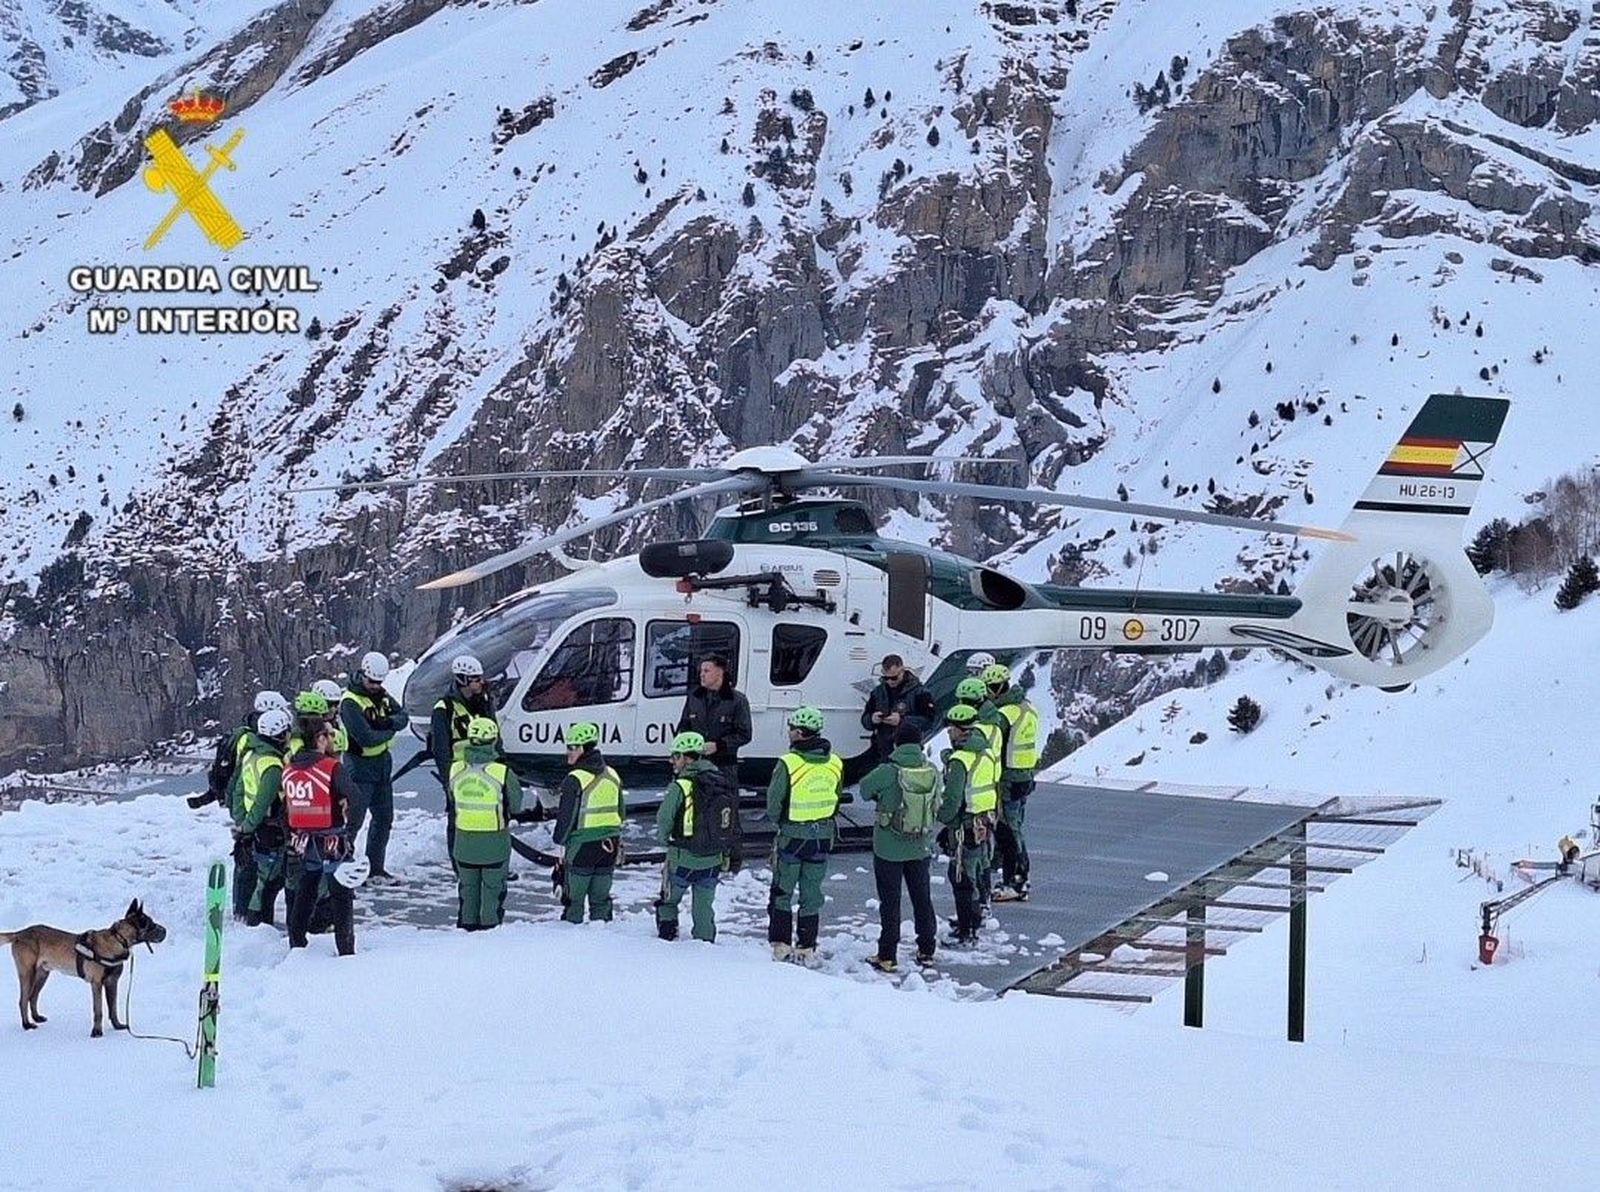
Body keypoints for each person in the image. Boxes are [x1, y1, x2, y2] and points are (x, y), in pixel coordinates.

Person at [859, 720, 945, 972]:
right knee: (922, 898)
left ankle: (887, 955)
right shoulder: (931, 770)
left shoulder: (888, 771)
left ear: (896, 742)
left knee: (890, 902)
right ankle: (927, 949)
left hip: (889, 846)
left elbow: (864, 790)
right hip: (920, 845)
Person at [765, 706, 842, 964]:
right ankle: (807, 946)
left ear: (798, 732)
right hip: (821, 837)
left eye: (790, 729)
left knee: (783, 891)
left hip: (792, 837)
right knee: (811, 894)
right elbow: (837, 798)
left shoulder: (789, 763)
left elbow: (774, 802)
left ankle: (782, 944)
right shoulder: (835, 762)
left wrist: (781, 822)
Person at [655, 731, 742, 942]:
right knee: (703, 907)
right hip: (713, 858)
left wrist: (664, 839)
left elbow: (664, 818)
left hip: (683, 857)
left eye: (675, 756)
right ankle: (705, 942)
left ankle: (666, 938)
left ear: (686, 757)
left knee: (668, 901)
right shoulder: (722, 780)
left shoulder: (681, 786)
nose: (672, 761)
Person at [282, 720, 359, 955]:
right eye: (329, 734)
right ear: (319, 739)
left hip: (303, 839)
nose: (332, 739)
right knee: (341, 893)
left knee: (306, 888)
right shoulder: (330, 767)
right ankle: (345, 948)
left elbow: (286, 808)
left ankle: (296, 940)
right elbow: (354, 796)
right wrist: (351, 831)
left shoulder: (289, 769)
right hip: (331, 837)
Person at [448, 717, 524, 930]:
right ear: (493, 740)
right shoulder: (502, 772)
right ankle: (490, 932)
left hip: (463, 843)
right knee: (492, 892)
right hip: (494, 844)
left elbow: (453, 799)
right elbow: (516, 805)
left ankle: (466, 929)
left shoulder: (455, 770)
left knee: (467, 891)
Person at [339, 651, 409, 881]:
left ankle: (375, 867)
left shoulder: (382, 695)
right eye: (372, 682)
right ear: (363, 675)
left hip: (381, 768)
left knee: (384, 819)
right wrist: (389, 731)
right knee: (353, 822)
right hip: (359, 769)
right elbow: (365, 737)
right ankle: (343, 868)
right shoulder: (350, 703)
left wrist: (387, 723)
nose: (375, 686)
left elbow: (402, 716)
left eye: (379, 683)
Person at [937, 704, 999, 947]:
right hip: (985, 820)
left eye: (950, 728)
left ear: (958, 729)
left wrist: (945, 820)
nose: (949, 733)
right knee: (979, 869)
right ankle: (977, 917)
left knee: (960, 876)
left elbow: (952, 799)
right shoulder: (986, 752)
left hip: (965, 824)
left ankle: (966, 931)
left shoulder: (960, 760)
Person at [551, 721, 624, 923]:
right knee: (601, 898)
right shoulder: (612, 774)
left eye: (571, 747)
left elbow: (567, 817)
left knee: (573, 899)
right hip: (610, 845)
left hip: (582, 846)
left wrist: (559, 841)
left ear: (583, 748)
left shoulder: (574, 779)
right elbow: (621, 811)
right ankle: (603, 935)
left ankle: (571, 941)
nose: (568, 752)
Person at [225, 700, 289, 919]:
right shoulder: (272, 765)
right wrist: (249, 827)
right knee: (267, 879)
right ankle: (257, 919)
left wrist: (242, 821)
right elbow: (263, 801)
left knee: (256, 873)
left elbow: (238, 790)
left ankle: (247, 913)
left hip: (253, 825)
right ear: (280, 735)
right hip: (267, 827)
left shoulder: (252, 754)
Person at [431, 654, 495, 867]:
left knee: (486, 818)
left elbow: (494, 734)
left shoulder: (484, 702)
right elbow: (441, 748)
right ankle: (460, 864)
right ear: (463, 680)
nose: (481, 683)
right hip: (459, 772)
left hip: (486, 771)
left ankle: (485, 859)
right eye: (476, 679)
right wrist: (447, 778)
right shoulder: (444, 708)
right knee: (457, 820)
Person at [982, 662, 1039, 901]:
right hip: (1024, 776)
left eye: (991, 687)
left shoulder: (1005, 713)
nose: (989, 692)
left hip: (1007, 779)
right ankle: (1016, 878)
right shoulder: (1027, 707)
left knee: (1008, 831)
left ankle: (1016, 880)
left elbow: (990, 741)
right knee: (1014, 828)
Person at [190, 689, 288, 811]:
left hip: (249, 803)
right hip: (256, 806)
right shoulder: (252, 740)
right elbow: (240, 775)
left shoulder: (247, 733)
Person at [675, 655, 752, 782]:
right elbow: (684, 726)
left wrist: (719, 745)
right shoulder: (694, 698)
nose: (702, 675)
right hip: (696, 767)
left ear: (719, 672)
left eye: (706, 671)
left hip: (723, 768)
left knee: (723, 801)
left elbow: (744, 734)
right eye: (701, 671)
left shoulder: (737, 700)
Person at [860, 653, 936, 761]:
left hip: (908, 753)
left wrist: (902, 720)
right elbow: (865, 720)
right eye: (886, 678)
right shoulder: (878, 692)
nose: (890, 681)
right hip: (882, 751)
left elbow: (929, 722)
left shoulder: (920, 692)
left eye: (894, 678)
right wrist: (872, 719)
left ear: (902, 671)